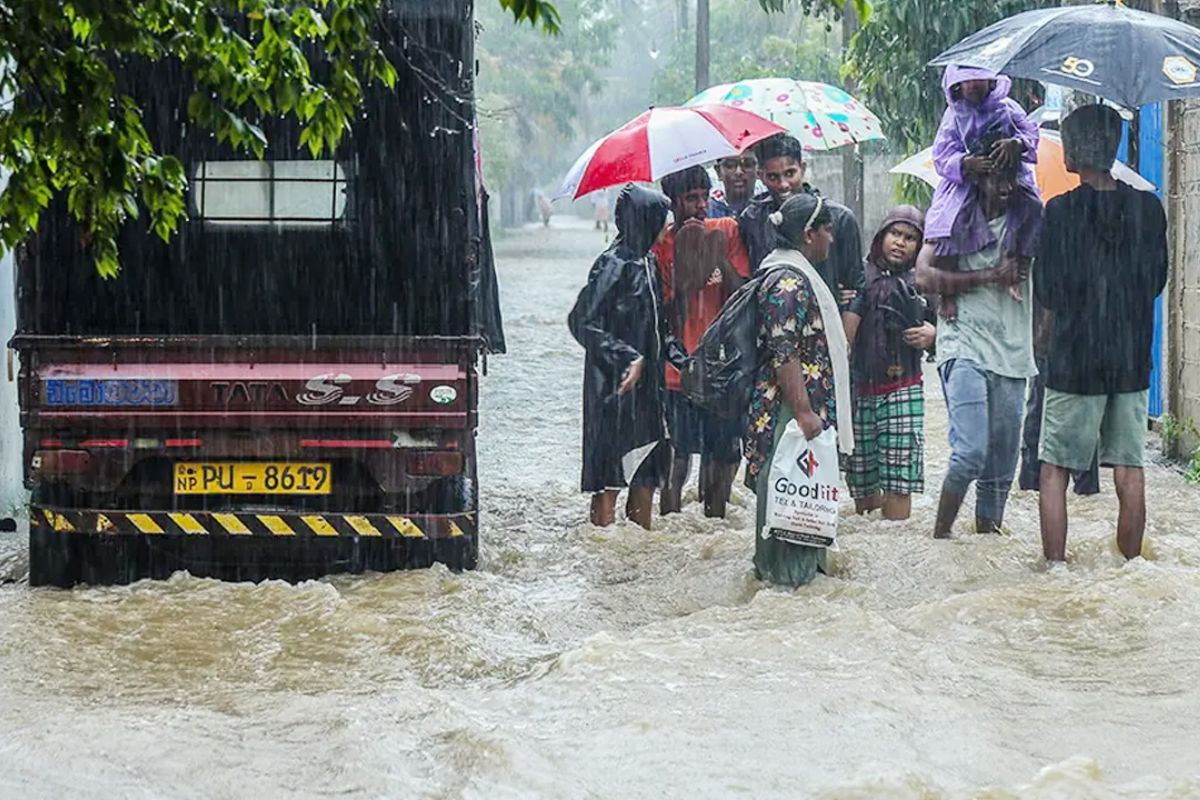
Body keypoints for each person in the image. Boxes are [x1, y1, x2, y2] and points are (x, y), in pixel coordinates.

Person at [1035, 105, 1168, 562]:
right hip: (1130, 359)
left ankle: (1055, 568)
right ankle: (1131, 567)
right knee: (1129, 471)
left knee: (1054, 469)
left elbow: (1048, 291)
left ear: (1073, 152)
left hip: (1075, 359)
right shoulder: (1148, 208)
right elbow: (1156, 281)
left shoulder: (1060, 212)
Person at [916, 154, 1037, 539]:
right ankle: (940, 540)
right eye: (994, 178)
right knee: (969, 452)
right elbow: (923, 276)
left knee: (1001, 470)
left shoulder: (1030, 221)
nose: (1004, 187)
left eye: (1011, 177)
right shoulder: (953, 218)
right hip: (962, 342)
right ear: (976, 179)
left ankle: (985, 550)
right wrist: (989, 275)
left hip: (1013, 350)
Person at [745, 193, 854, 587]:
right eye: (827, 231)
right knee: (791, 508)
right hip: (788, 413)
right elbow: (783, 350)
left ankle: (795, 586)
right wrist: (805, 412)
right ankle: (786, 587)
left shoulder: (792, 273)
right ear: (809, 234)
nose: (831, 239)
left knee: (802, 507)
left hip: (795, 411)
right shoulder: (789, 282)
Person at [568, 184, 685, 530]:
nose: (667, 225)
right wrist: (625, 357)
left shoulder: (647, 261)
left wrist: (682, 359)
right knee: (610, 477)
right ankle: (603, 545)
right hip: (612, 390)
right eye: (660, 218)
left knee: (646, 470)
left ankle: (639, 547)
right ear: (642, 220)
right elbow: (581, 322)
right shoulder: (611, 264)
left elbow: (658, 326)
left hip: (649, 390)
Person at [654, 166, 751, 518]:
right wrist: (687, 265)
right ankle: (670, 524)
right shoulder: (660, 245)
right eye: (690, 199)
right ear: (673, 202)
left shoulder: (726, 231)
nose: (700, 206)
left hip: (721, 367)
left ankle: (715, 520)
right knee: (677, 455)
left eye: (704, 197)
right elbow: (662, 313)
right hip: (677, 370)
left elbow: (743, 295)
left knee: (724, 453)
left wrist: (716, 258)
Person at [844, 206, 937, 520]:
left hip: (903, 388)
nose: (900, 242)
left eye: (910, 237)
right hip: (859, 390)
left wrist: (933, 333)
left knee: (899, 482)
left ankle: (894, 540)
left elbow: (953, 325)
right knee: (862, 480)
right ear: (881, 236)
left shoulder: (924, 280)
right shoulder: (859, 275)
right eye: (895, 234)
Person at [738, 134, 864, 321]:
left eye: (790, 173)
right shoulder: (752, 220)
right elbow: (748, 283)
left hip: (827, 325)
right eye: (773, 177)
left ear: (803, 168)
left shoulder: (838, 218)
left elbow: (857, 291)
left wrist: (844, 344)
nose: (783, 185)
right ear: (761, 176)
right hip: (770, 328)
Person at [925, 65, 1040, 261]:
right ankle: (953, 261)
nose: (973, 85)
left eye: (978, 79)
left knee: (1033, 207)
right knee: (950, 219)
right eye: (967, 80)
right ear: (957, 85)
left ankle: (1022, 255)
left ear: (992, 81)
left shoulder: (1008, 107)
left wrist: (1017, 144)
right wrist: (965, 163)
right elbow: (941, 155)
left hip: (1011, 176)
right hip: (968, 182)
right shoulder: (953, 116)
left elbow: (1030, 133)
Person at [709, 152, 758, 219]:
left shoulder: (768, 209)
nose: (739, 172)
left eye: (747, 165)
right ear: (718, 172)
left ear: (758, 170)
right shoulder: (707, 211)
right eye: (730, 166)